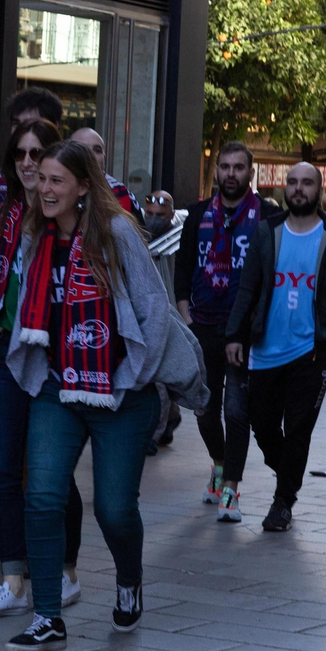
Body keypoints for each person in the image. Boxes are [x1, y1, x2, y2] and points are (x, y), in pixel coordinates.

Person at [3, 141, 208, 651]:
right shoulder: (35, 234)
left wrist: (129, 377)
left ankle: (129, 580)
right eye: (41, 179)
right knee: (42, 497)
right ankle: (47, 616)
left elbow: (153, 309)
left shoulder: (116, 233)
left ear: (82, 187)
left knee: (114, 510)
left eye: (56, 180)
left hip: (120, 390)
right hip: (58, 386)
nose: (45, 189)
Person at [0, 118, 87, 621]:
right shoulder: (9, 212)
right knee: (3, 463)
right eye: (20, 153)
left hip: (53, 358)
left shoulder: (64, 216)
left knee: (49, 470)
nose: (29, 162)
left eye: (38, 153)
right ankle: (13, 580)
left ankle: (65, 570)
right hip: (7, 349)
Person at [225, 162, 326, 532]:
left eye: (307, 183)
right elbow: (248, 286)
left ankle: (282, 502)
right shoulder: (267, 231)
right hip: (266, 350)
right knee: (263, 426)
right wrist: (234, 335)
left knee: (298, 429)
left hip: (312, 353)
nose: (299, 189)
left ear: (320, 189)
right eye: (293, 182)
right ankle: (290, 474)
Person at [174, 141, 280, 521]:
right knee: (204, 410)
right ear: (216, 170)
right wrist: (186, 316)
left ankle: (231, 489)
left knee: (236, 412)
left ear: (250, 172)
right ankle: (219, 465)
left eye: (238, 167)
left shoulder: (268, 216)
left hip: (244, 332)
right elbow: (184, 267)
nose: (231, 174)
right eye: (225, 167)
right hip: (202, 325)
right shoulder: (198, 215)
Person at [0, 88, 65, 464]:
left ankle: (35, 499)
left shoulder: (69, 192)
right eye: (16, 126)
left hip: (51, 340)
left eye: (34, 127)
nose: (26, 156)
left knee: (38, 446)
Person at [141, 190, 183, 454]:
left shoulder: (179, 239)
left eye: (160, 215)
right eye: (150, 214)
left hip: (171, 314)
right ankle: (169, 417)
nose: (154, 219)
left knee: (161, 378)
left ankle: (152, 434)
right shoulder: (138, 236)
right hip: (146, 312)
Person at [68, 126, 145, 223]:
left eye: (97, 150)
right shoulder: (56, 185)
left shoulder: (120, 192)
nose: (91, 155)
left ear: (104, 158)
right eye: (82, 148)